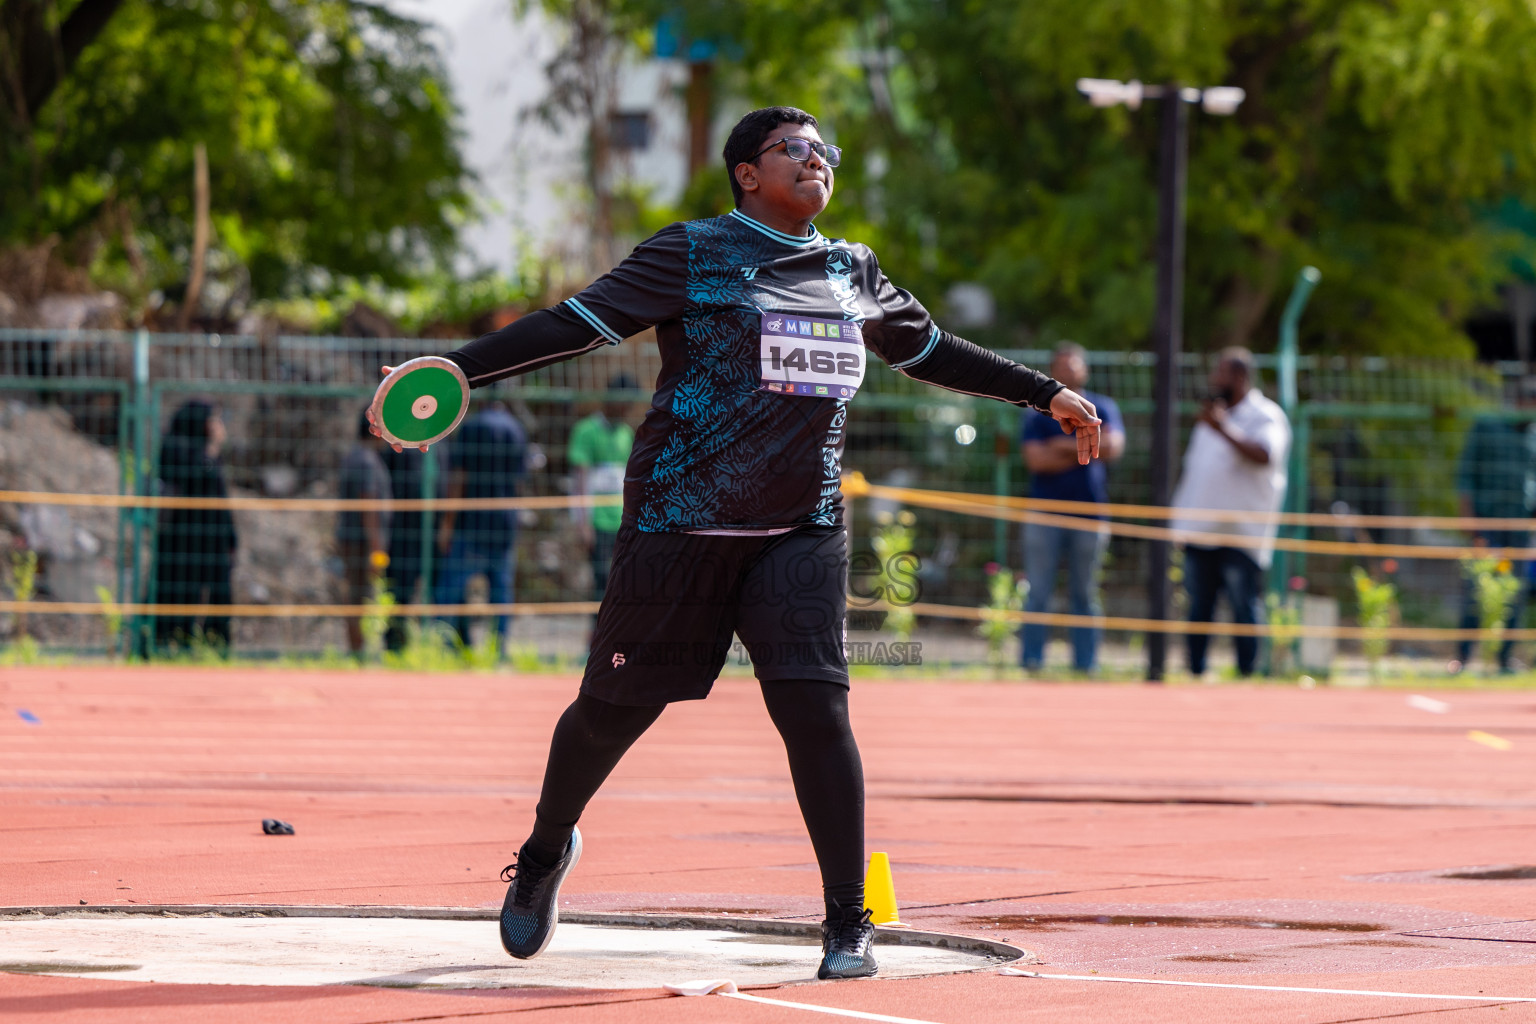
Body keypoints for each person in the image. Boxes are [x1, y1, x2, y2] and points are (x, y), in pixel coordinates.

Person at [370, 105, 1101, 980]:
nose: (814, 158)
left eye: (822, 149)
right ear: (747, 173)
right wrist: (459, 367)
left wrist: (1043, 392)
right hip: (680, 521)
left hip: (801, 528)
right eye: (791, 148)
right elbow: (576, 321)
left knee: (817, 711)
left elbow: (934, 351)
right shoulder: (695, 250)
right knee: (610, 716)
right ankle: (544, 849)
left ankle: (847, 922)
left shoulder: (850, 269)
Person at [1170, 347, 1291, 678]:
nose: (1214, 379)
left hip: (1242, 533)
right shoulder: (1211, 419)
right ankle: (1195, 672)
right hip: (1200, 531)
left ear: (1240, 377)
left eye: (1220, 372)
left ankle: (1247, 674)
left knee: (1243, 608)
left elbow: (1266, 454)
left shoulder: (1265, 416)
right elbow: (1196, 474)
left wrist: (1223, 428)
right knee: (1198, 608)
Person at [1019, 342, 1125, 673]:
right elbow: (1036, 460)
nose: (1068, 370)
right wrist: (1082, 448)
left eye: (1074, 364)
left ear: (1085, 368)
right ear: (1053, 370)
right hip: (1044, 515)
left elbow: (1113, 447)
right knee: (1039, 592)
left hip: (1090, 515)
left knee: (1085, 593)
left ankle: (1086, 665)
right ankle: (1032, 663)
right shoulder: (1037, 411)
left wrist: (1060, 446)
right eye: (1062, 365)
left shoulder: (1103, 407)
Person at [431, 399, 527, 650]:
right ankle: (498, 652)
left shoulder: (471, 427)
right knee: (501, 595)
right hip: (504, 525)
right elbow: (519, 484)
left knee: (449, 592)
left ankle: (441, 648)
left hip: (471, 523)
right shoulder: (517, 429)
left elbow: (458, 478)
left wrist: (447, 524)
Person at [1450, 411, 1535, 672]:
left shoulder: (1532, 436)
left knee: (1515, 593)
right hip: (1486, 526)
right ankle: (1462, 659)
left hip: (1520, 528)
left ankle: (1504, 659)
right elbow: (1465, 475)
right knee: (1476, 590)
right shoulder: (1485, 427)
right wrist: (1469, 521)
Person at [152, 399, 237, 654]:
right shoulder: (177, 447)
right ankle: (169, 643)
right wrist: (210, 451)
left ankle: (215, 645)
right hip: (182, 538)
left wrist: (231, 537)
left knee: (219, 594)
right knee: (177, 593)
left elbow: (220, 498)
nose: (218, 426)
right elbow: (193, 474)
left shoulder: (208, 452)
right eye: (214, 420)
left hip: (212, 538)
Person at [569, 374, 637, 601]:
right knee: (601, 581)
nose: (627, 408)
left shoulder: (626, 434)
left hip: (621, 519)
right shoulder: (586, 431)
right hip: (596, 520)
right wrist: (583, 521)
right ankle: (596, 632)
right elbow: (580, 479)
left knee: (621, 581)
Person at [336, 408, 392, 656]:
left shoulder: (355, 456)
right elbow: (368, 505)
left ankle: (359, 650)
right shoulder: (366, 460)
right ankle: (358, 653)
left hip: (354, 540)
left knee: (357, 596)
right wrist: (376, 548)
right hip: (361, 543)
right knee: (360, 598)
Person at [380, 443, 445, 653]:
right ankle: (395, 647)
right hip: (402, 532)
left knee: (441, 591)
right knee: (399, 592)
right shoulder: (397, 441)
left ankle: (440, 648)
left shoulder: (442, 444)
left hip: (435, 532)